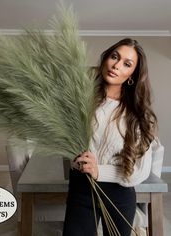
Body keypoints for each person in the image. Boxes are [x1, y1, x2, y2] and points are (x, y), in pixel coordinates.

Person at [63, 38, 160, 236]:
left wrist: (100, 171)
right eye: (114, 57)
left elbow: (140, 172)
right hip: (82, 189)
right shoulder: (79, 100)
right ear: (106, 58)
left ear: (132, 75)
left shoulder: (139, 115)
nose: (116, 65)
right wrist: (75, 161)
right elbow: (66, 144)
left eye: (127, 64)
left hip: (119, 194)